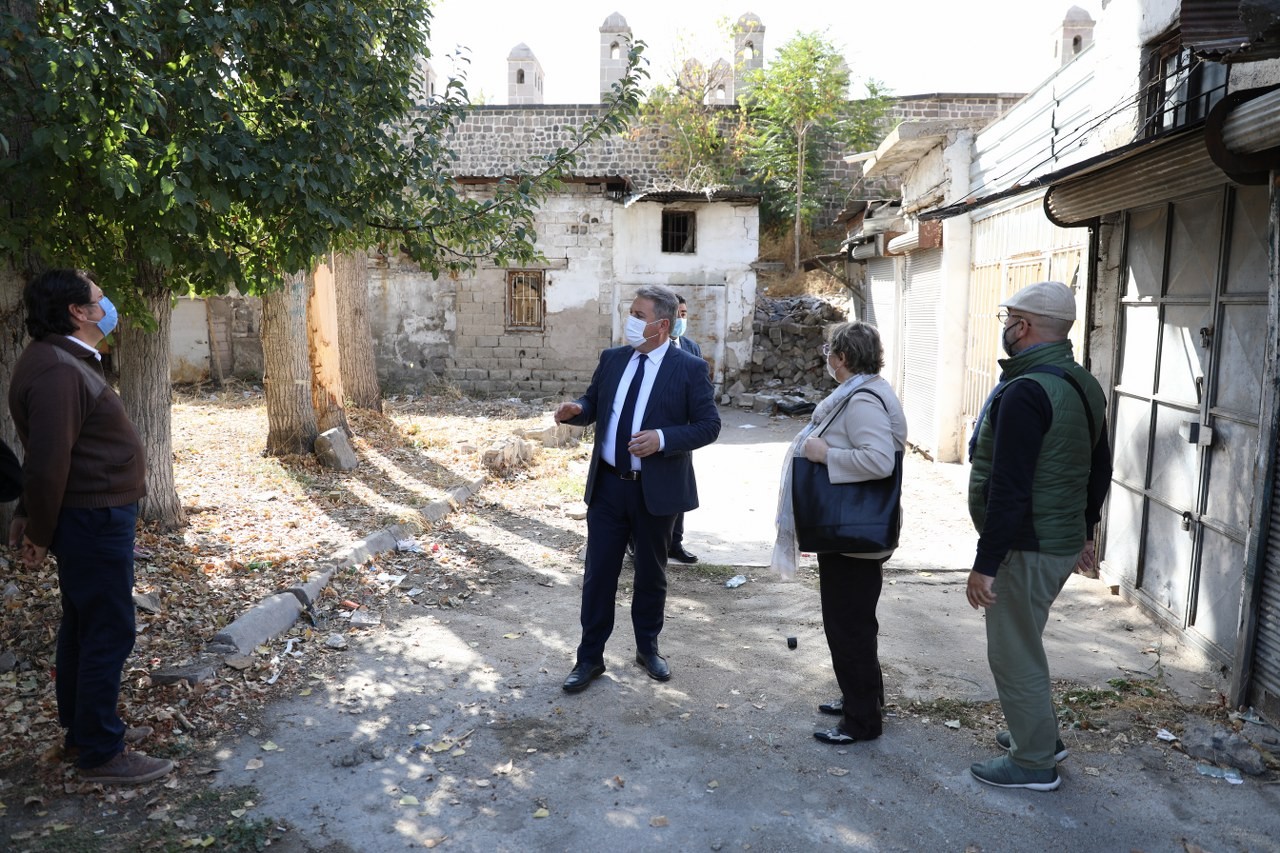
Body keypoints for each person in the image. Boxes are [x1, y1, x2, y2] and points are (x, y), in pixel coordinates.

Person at [7, 269, 174, 785]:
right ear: (78, 312)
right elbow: (47, 462)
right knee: (106, 628)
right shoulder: (58, 370)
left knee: (84, 625)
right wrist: (37, 531)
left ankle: (85, 732)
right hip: (92, 519)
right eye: (101, 298)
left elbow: (48, 451)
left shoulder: (64, 359)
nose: (109, 305)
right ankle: (102, 751)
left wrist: (30, 515)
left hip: (91, 515)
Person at [965, 280, 1111, 792]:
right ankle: (1041, 738)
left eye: (1008, 319)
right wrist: (1085, 531)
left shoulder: (1027, 390)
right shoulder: (1081, 382)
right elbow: (1099, 467)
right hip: (1057, 541)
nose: (1005, 327)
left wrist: (986, 563)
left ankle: (1032, 763)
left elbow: (1010, 486)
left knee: (1013, 653)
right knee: (1025, 642)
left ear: (1022, 326)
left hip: (1025, 547)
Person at [554, 284, 721, 692]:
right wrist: (578, 410)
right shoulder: (612, 359)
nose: (630, 321)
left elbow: (709, 425)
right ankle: (589, 657)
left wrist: (662, 439)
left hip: (656, 491)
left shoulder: (689, 368)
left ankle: (648, 648)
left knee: (651, 574)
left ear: (662, 326)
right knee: (598, 575)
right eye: (630, 312)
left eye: (638, 315)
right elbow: (595, 403)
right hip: (609, 488)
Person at [771, 321, 907, 745]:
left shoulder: (863, 400)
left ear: (843, 357)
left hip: (854, 538)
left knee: (848, 628)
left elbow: (880, 461)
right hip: (852, 534)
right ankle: (862, 699)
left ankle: (861, 721)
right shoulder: (864, 391)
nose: (826, 357)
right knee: (856, 623)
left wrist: (825, 453)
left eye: (829, 350)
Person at [665, 294, 702, 564]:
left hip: (684, 432)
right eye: (676, 314)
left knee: (680, 487)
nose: (681, 319)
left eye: (684, 314)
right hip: (655, 430)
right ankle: (637, 542)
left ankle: (675, 542)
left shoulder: (691, 347)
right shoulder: (650, 347)